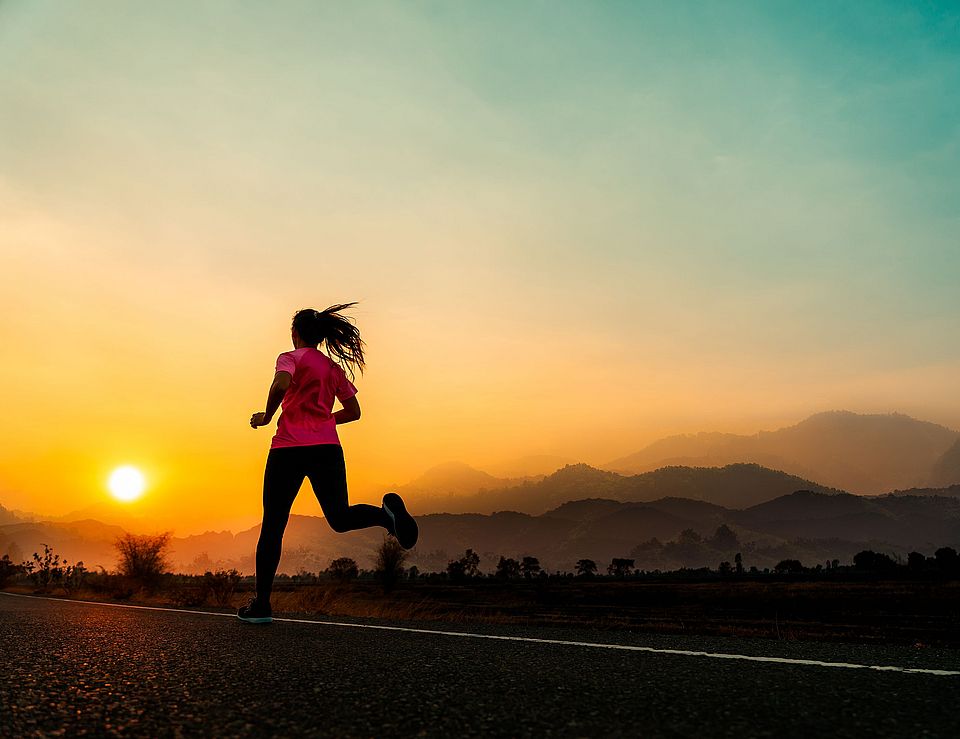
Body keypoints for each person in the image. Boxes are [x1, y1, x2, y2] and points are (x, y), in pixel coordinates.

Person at [238, 303, 418, 624]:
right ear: (321, 337)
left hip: (289, 449)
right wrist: (323, 421)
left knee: (273, 526)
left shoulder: (289, 358)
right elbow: (354, 412)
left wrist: (266, 416)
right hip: (327, 449)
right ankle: (388, 520)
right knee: (340, 517)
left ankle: (262, 605)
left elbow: (280, 384)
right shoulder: (333, 369)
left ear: (296, 333)